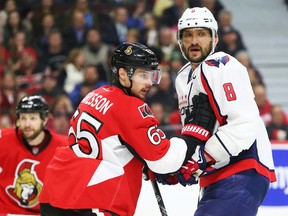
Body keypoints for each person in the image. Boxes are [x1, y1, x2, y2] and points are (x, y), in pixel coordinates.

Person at [38, 42, 216, 216]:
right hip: (93, 201)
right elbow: (164, 160)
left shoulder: (94, 95)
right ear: (123, 74)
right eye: (143, 75)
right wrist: (192, 135)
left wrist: (141, 159)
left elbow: (111, 144)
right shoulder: (132, 107)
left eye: (152, 76)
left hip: (57, 194)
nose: (149, 83)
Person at [171, 7, 276, 216]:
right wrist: (183, 164)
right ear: (179, 40)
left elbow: (243, 124)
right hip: (215, 174)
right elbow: (198, 130)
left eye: (202, 34)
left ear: (215, 38)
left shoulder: (222, 65)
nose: (194, 41)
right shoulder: (183, 77)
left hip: (243, 168)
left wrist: (203, 157)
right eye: (188, 35)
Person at [0, 95, 68, 215]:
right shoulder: (3, 139)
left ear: (45, 119)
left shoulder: (63, 147)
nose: (27, 124)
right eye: (23, 118)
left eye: (32, 118)